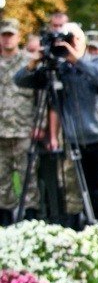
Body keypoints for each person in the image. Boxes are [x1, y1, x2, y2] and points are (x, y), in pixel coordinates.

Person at [15, 23, 98, 246]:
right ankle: (96, 239)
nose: (68, 46)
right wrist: (36, 60)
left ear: (82, 41)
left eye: (73, 40)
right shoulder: (60, 70)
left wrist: (77, 59)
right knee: (90, 194)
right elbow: (21, 81)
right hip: (77, 141)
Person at [0, 18, 38, 224]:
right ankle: (5, 224)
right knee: (2, 180)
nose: (7, 39)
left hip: (24, 129)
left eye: (10, 35)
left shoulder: (28, 62)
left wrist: (39, 126)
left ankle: (29, 223)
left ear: (18, 36)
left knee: (28, 178)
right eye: (3, 35)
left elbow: (40, 98)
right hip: (1, 132)